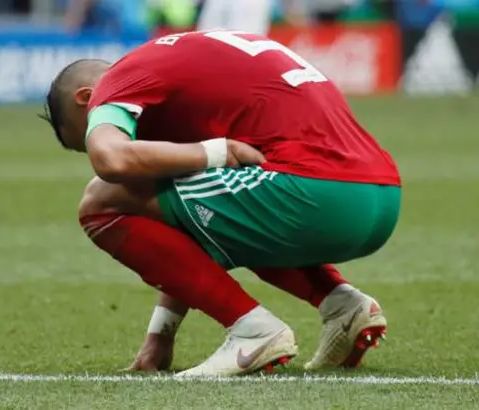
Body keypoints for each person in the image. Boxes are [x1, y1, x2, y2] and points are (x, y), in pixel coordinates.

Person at [39, 30, 400, 377]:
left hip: (316, 193)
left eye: (87, 131)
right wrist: (160, 335)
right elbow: (188, 227)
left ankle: (253, 330)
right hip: (380, 196)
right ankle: (342, 304)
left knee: (100, 199)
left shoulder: (120, 81)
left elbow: (111, 160)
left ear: (87, 98)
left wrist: (218, 151)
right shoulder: (178, 65)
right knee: (202, 203)